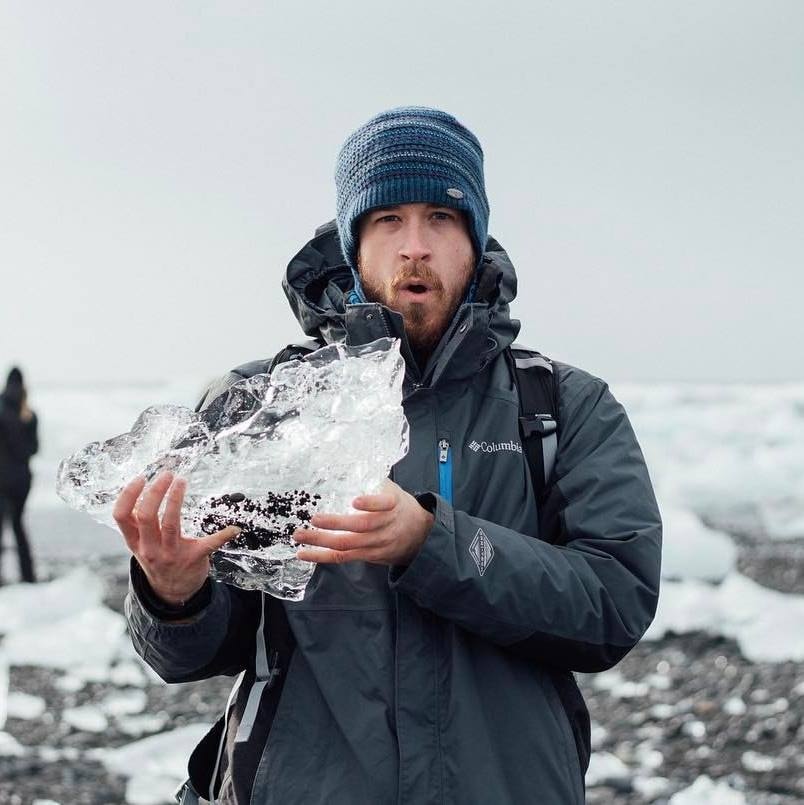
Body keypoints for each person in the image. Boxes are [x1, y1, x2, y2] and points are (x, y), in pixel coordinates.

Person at [118, 107, 662, 804]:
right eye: (387, 220)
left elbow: (615, 603)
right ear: (354, 243)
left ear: (475, 237)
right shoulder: (262, 405)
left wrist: (434, 542)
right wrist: (171, 594)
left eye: (441, 216)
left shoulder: (559, 405)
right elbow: (189, 654)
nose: (416, 246)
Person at [0, 367, 38, 584]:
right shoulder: (29, 415)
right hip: (23, 480)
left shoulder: (1, 410)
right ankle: (28, 575)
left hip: (1, 481)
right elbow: (33, 449)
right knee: (18, 526)